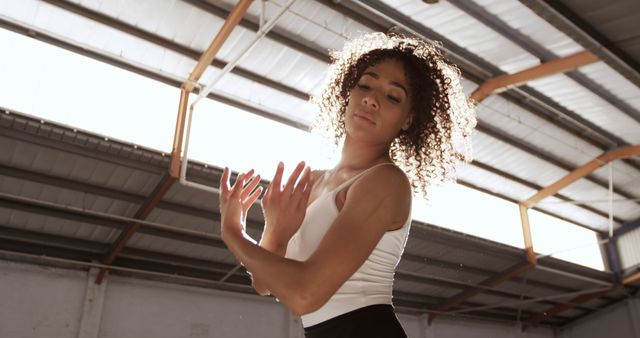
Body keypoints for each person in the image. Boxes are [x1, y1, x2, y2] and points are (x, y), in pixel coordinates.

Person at [218, 32, 475, 338]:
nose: (371, 99)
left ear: (408, 120)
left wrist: (233, 233)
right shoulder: (313, 181)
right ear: (349, 93)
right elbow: (265, 284)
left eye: (393, 96)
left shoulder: (385, 181)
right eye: (365, 84)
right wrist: (276, 230)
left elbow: (303, 294)